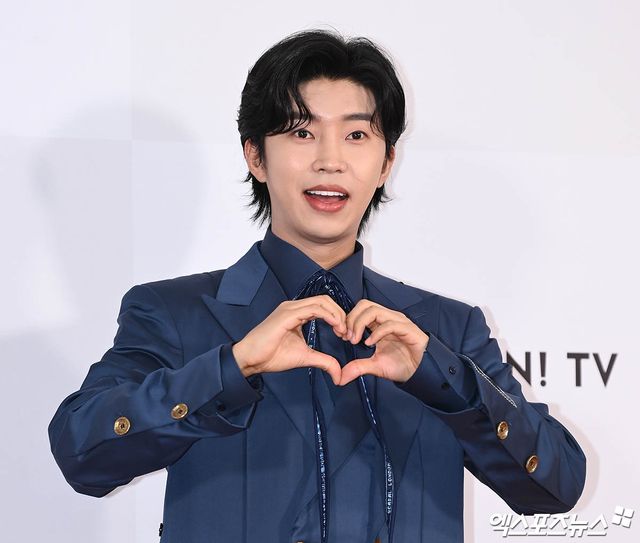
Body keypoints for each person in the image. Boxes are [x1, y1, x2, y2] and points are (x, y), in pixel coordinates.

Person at [48, 29, 586, 543]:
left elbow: (556, 486)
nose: (330, 161)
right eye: (302, 132)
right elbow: (80, 454)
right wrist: (232, 368)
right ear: (255, 156)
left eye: (357, 135)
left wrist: (442, 378)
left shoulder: (447, 329)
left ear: (386, 163)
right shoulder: (174, 312)